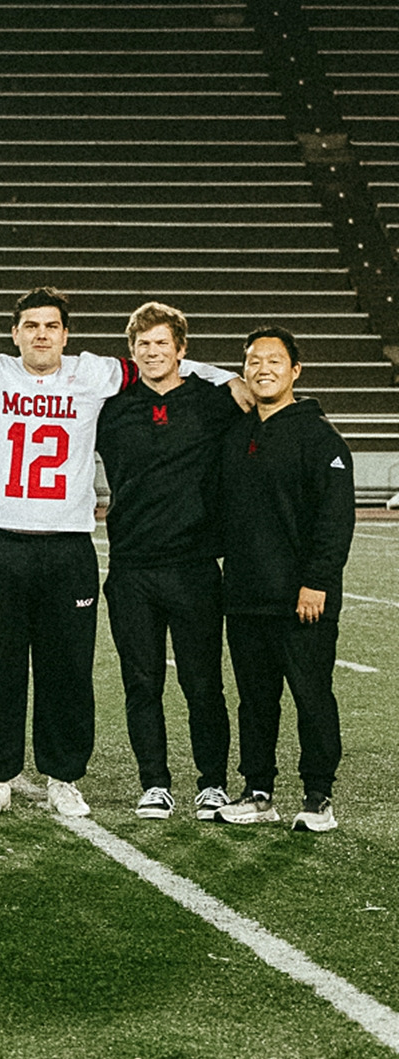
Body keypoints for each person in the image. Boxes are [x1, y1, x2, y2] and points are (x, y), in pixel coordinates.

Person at [0, 286, 238, 819]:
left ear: (66, 334)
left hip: (68, 544)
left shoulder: (93, 372)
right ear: (15, 333)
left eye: (51, 326)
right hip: (0, 541)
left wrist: (227, 377)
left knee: (67, 670)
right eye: (31, 326)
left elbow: (160, 361)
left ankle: (63, 776)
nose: (41, 335)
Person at [94, 302, 243, 820]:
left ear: (181, 349)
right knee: (142, 683)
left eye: (162, 343)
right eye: (143, 344)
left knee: (203, 683)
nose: (152, 352)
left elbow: (254, 401)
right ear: (132, 351)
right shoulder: (113, 409)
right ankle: (154, 782)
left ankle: (213, 782)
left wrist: (228, 379)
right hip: (131, 567)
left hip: (194, 565)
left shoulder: (212, 401)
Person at [213, 327, 353, 832]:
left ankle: (318, 796)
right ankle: (258, 791)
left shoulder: (320, 438)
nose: (263, 369)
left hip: (302, 600)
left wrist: (316, 582)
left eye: (274, 360)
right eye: (254, 361)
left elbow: (335, 520)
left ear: (295, 371)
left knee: (312, 697)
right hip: (246, 595)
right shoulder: (236, 435)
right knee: (255, 702)